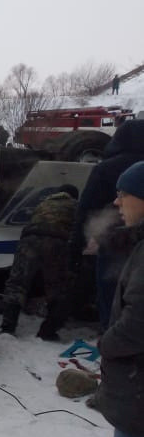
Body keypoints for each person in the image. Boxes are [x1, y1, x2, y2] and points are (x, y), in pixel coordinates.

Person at [30, 161, 144, 437]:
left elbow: (138, 321)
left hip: (139, 400)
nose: (116, 201)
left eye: (124, 193)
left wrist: (107, 343)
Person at [69, 120, 144, 330]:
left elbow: (86, 208)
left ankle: (112, 339)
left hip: (113, 242)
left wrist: (76, 246)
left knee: (111, 294)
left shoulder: (106, 168)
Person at [1, 184, 79, 340]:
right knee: (56, 286)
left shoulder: (43, 203)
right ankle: (48, 331)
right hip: (56, 243)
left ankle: (7, 328)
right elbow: (79, 229)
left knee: (17, 283)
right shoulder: (75, 205)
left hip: (29, 241)